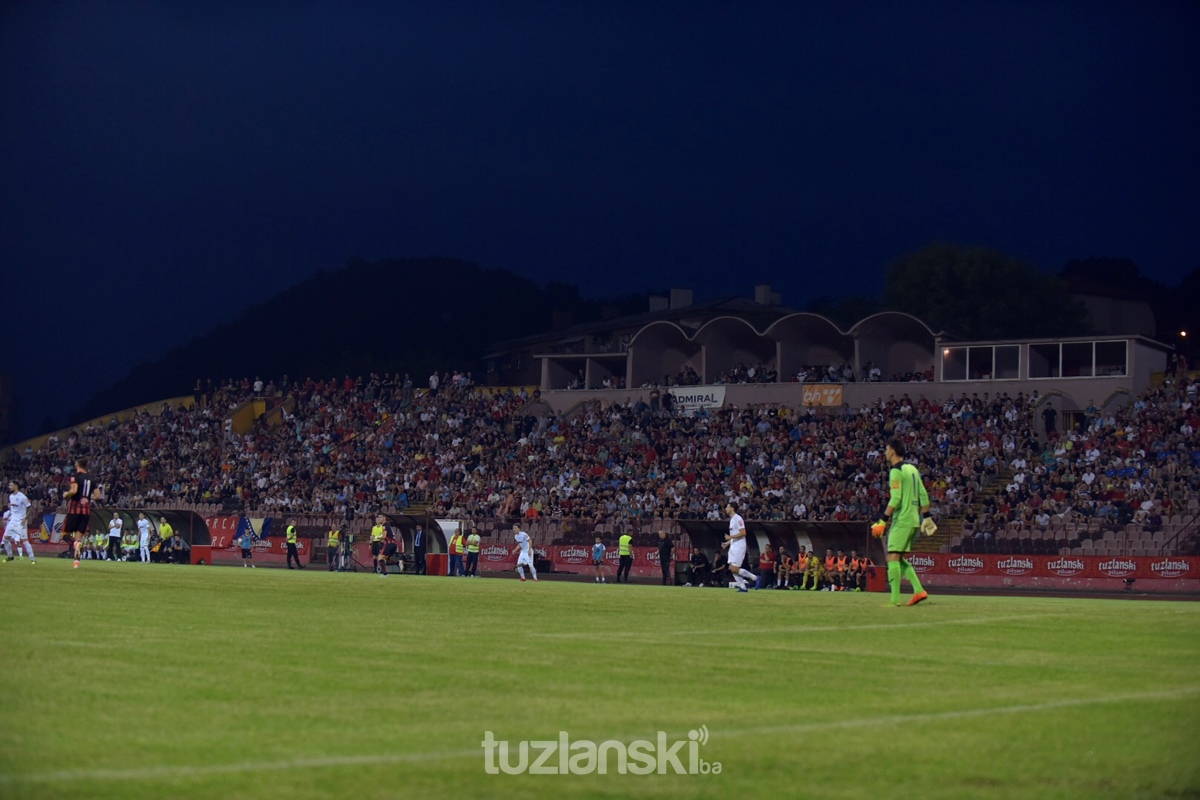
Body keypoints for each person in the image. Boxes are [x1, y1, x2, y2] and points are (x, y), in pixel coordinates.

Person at [872, 437, 932, 607]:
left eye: (886, 449)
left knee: (892, 557)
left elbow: (896, 498)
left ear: (892, 450)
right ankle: (919, 590)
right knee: (898, 557)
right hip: (914, 520)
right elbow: (923, 494)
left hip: (903, 520)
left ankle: (895, 600)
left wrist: (882, 520)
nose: (884, 452)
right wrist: (926, 516)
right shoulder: (912, 469)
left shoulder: (895, 471)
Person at [63, 459, 98, 568]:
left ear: (77, 464)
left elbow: (74, 491)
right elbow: (98, 496)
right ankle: (76, 562)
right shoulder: (92, 479)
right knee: (79, 537)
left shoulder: (75, 476)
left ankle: (74, 544)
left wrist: (66, 494)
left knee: (64, 534)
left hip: (75, 509)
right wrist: (88, 498)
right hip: (86, 511)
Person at [721, 502, 759, 592]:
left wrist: (730, 537)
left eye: (727, 506)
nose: (726, 508)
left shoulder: (738, 518)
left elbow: (743, 533)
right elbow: (735, 535)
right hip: (734, 545)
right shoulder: (732, 520)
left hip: (739, 546)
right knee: (731, 568)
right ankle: (743, 587)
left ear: (732, 508)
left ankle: (755, 578)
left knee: (734, 568)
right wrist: (728, 542)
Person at [3, 480, 35, 564]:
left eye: (11, 485)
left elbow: (31, 508)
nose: (9, 487)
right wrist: (8, 516)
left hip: (21, 522)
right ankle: (10, 556)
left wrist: (25, 518)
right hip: (12, 521)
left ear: (16, 486)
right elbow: (12, 509)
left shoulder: (22, 497)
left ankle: (33, 559)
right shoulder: (10, 496)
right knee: (5, 539)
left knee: (25, 541)